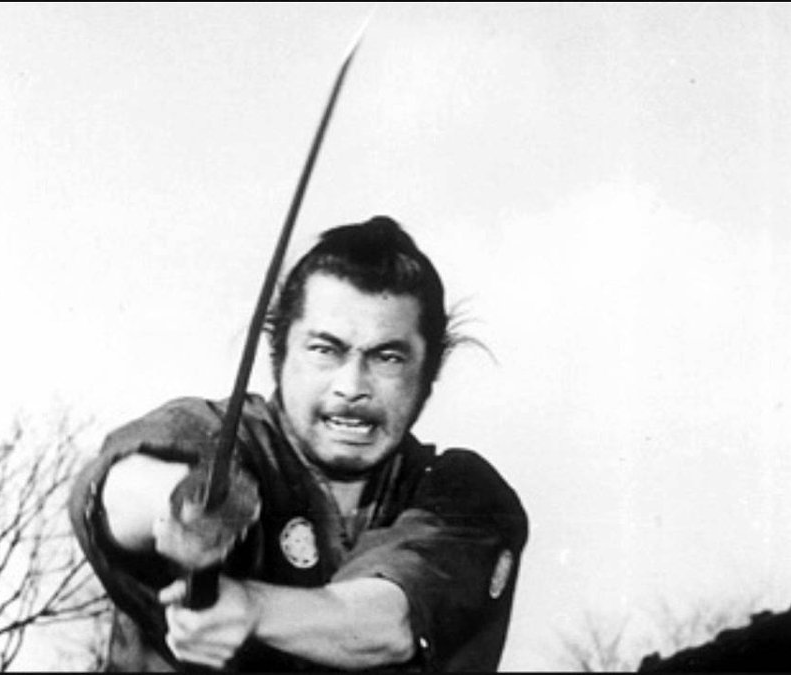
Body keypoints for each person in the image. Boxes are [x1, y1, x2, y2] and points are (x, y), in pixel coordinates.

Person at [68, 216, 528, 671]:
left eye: (388, 357)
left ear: (429, 372)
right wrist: (180, 508)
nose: (352, 387)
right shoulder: (216, 430)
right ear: (280, 351)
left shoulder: (464, 496)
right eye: (325, 350)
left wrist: (254, 608)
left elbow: (391, 621)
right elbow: (121, 487)